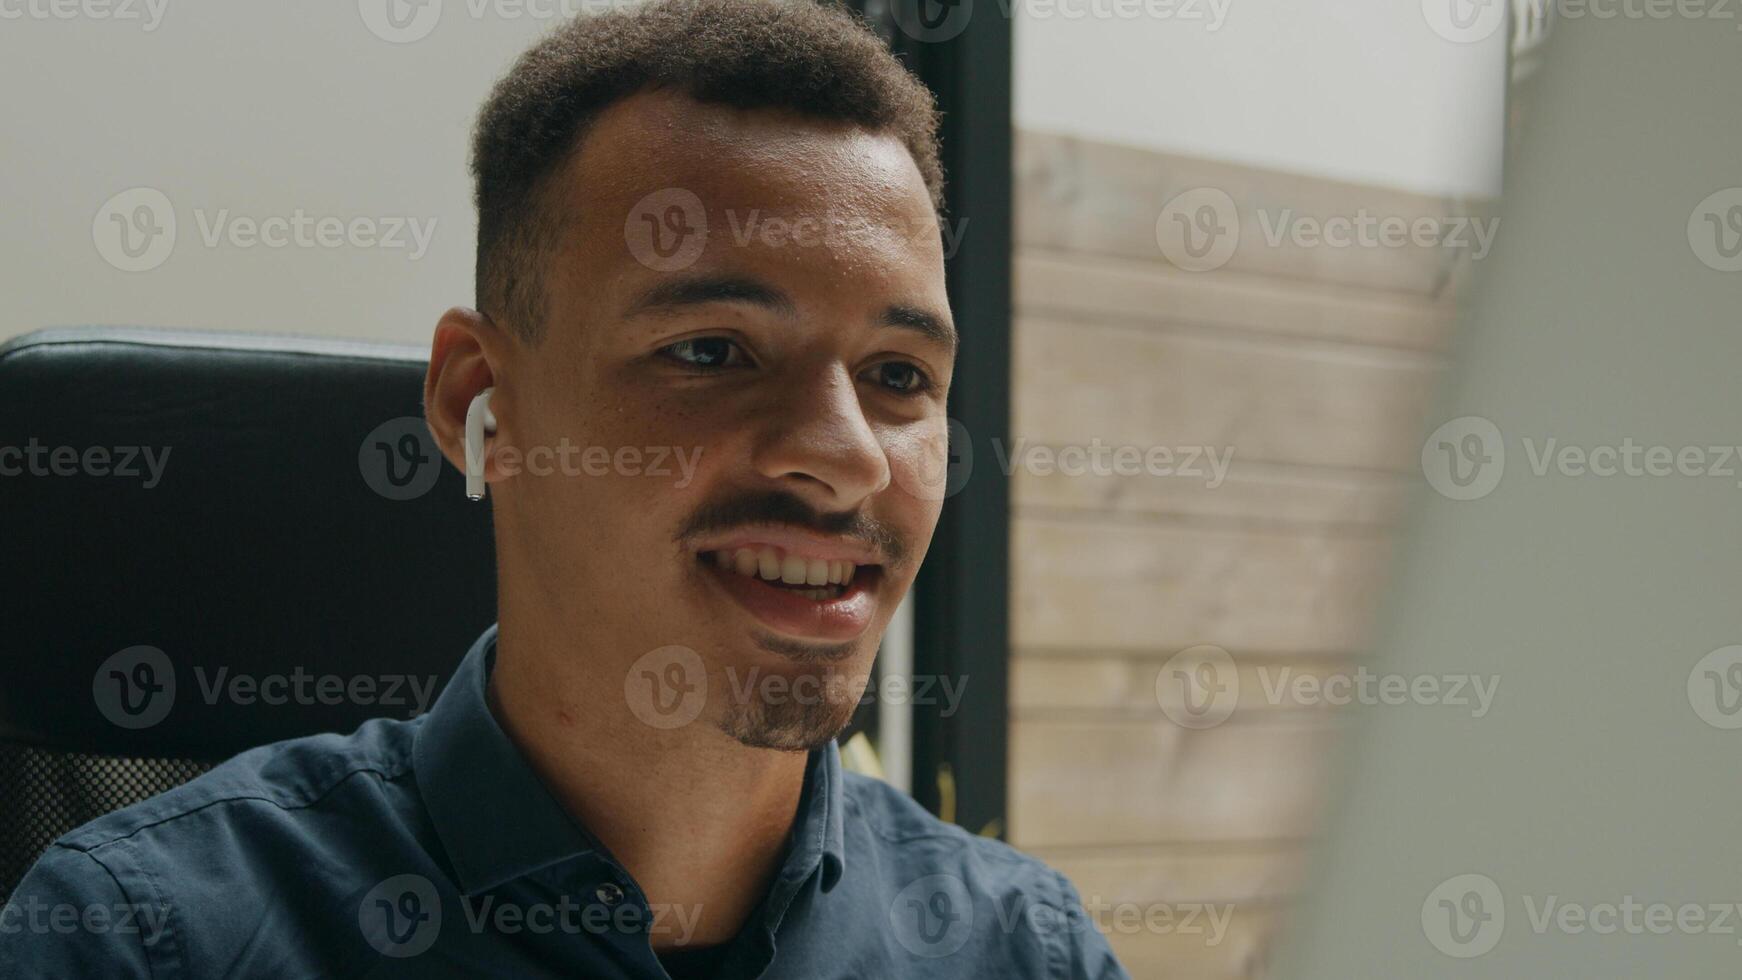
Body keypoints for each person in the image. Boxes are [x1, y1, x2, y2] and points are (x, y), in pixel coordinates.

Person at [0, 1, 1127, 976]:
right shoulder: (137, 938)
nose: (846, 454)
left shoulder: (1023, 946)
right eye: (710, 350)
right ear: (477, 402)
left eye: (896, 376)